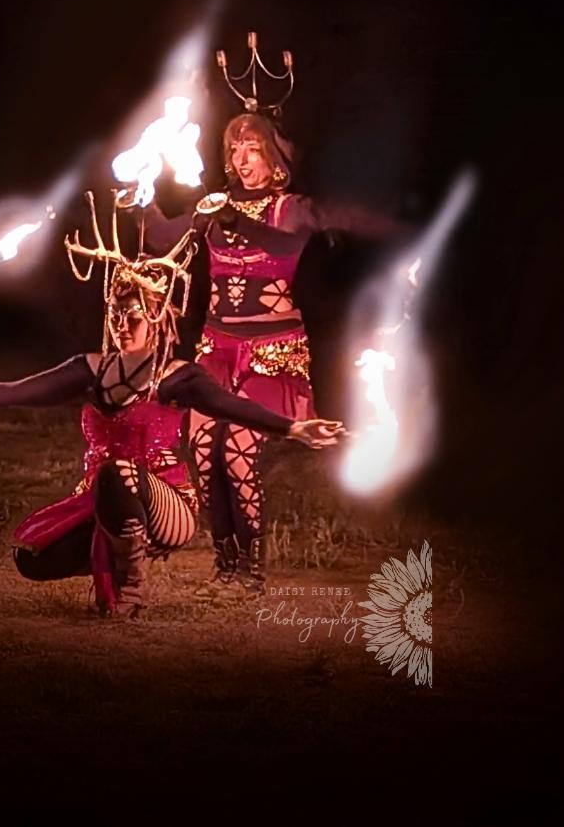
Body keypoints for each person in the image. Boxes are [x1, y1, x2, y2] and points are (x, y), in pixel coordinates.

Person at [0, 192, 344, 618]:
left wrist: (294, 428)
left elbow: (230, 406)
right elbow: (16, 391)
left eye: (134, 317)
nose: (123, 325)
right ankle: (115, 550)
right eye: (117, 315)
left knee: (117, 472)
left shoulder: (177, 376)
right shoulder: (90, 369)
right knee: (31, 560)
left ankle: (133, 589)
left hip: (168, 508)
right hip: (105, 500)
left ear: (158, 320)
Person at [145, 109, 408, 592]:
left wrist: (233, 221)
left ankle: (251, 572)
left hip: (272, 353)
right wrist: (138, 201)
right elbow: (163, 236)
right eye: (235, 148)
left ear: (275, 158)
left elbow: (282, 247)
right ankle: (225, 566)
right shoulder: (214, 206)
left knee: (238, 451)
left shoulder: (291, 209)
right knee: (203, 450)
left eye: (253, 148)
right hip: (216, 349)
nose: (242, 159)